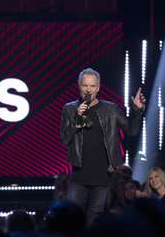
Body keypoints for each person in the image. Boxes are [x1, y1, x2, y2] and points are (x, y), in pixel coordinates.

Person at [60, 68, 146, 226]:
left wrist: (137, 111)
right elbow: (65, 139)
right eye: (85, 85)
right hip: (79, 175)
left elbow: (131, 131)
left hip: (103, 176)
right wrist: (76, 118)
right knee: (72, 217)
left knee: (95, 217)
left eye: (92, 86)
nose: (88, 89)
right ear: (79, 86)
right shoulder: (69, 108)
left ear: (98, 88)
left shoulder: (111, 109)